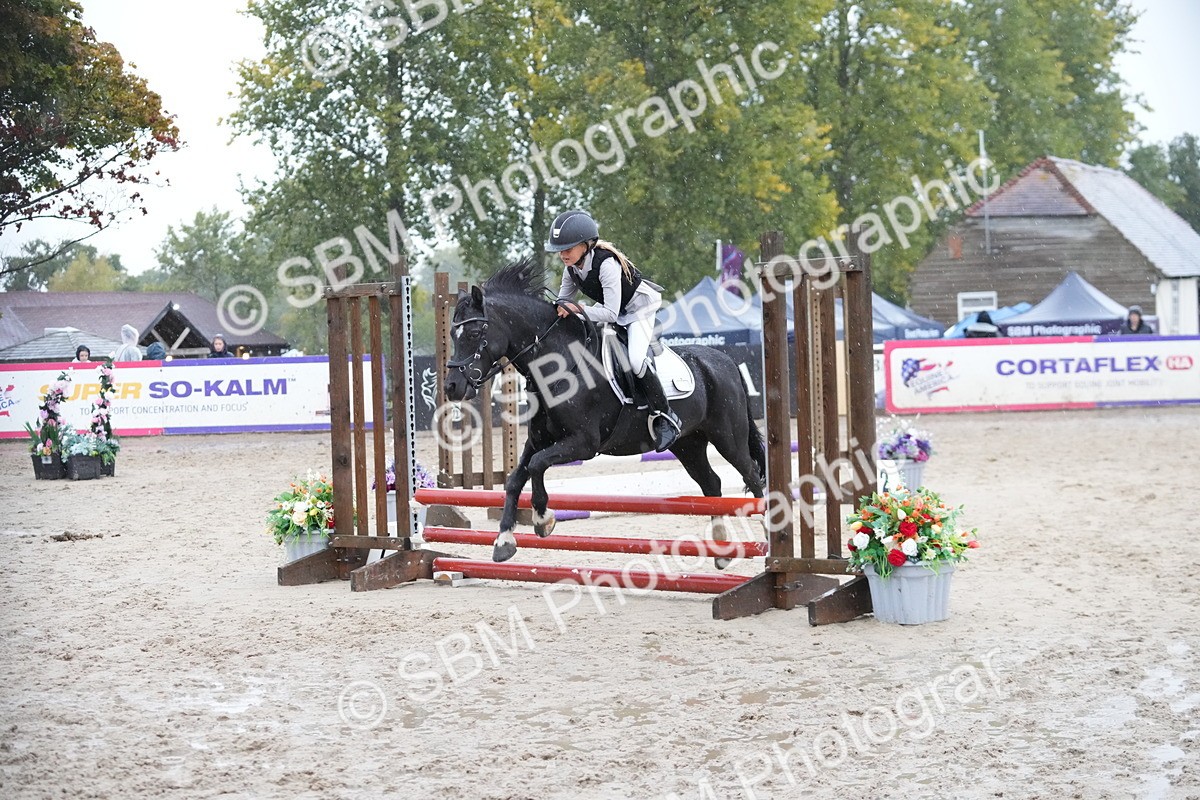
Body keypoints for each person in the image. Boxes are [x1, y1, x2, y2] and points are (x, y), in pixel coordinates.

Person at [546, 209, 681, 452]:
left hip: (639, 310)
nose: (563, 254)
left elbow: (608, 313)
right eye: (560, 249)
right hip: (616, 311)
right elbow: (562, 304)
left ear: (587, 245)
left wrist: (576, 308)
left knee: (637, 360)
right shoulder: (571, 269)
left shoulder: (606, 264)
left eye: (568, 248)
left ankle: (666, 416)